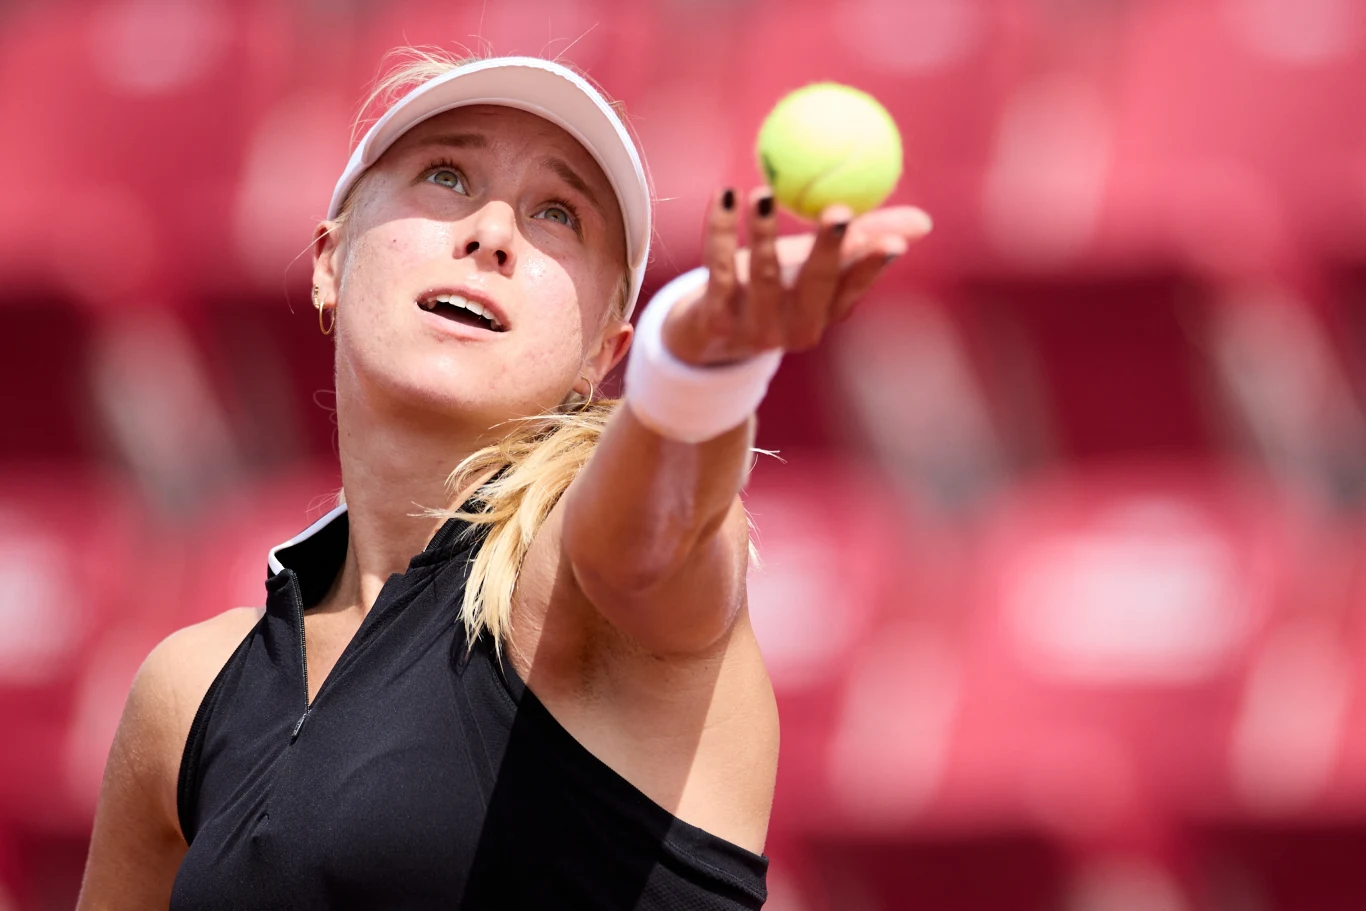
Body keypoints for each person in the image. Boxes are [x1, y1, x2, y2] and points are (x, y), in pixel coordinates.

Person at [75, 50, 931, 909]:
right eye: (446, 176)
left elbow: (655, 529)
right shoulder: (186, 691)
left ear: (604, 354)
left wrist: (695, 374)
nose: (491, 233)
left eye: (559, 214)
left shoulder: (573, 581)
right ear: (329, 261)